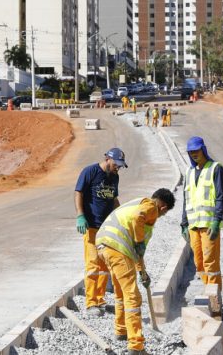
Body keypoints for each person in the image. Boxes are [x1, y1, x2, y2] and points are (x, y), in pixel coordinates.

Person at [96, 188, 175, 355]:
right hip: (117, 249)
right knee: (133, 297)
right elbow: (137, 219)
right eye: (164, 213)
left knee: (120, 292)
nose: (160, 216)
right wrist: (139, 242)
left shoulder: (138, 202)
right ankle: (136, 346)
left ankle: (121, 330)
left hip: (105, 246)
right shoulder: (151, 207)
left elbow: (138, 251)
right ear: (163, 207)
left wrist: (142, 272)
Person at [75, 148, 126, 315]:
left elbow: (114, 199)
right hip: (91, 227)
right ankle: (91, 303)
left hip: (106, 229)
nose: (118, 168)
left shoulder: (115, 177)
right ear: (108, 159)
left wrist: (120, 218)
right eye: (116, 165)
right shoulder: (90, 171)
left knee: (104, 266)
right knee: (92, 264)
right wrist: (80, 216)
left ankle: (100, 300)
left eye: (120, 166)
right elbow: (78, 193)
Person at [180, 136, 223, 286]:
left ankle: (214, 300)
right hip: (193, 225)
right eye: (191, 152)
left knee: (210, 262)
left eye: (196, 151)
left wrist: (217, 220)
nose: (194, 154)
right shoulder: (188, 172)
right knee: (198, 262)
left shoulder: (216, 168)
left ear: (203, 150)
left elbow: (220, 197)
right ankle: (208, 290)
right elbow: (185, 199)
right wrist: (184, 224)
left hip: (209, 225)